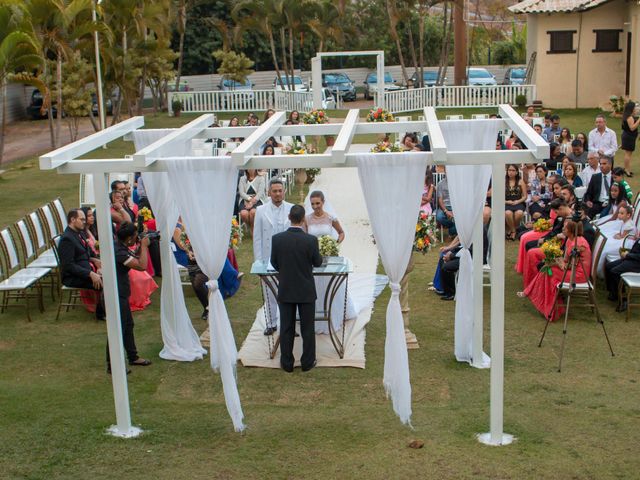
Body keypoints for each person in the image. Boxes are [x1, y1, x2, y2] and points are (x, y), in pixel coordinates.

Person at [270, 205, 323, 373]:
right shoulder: (311, 240)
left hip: (286, 289)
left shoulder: (277, 239)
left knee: (286, 327)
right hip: (306, 290)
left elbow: (274, 263)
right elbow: (318, 262)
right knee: (308, 327)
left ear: (289, 217)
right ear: (303, 220)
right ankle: (307, 362)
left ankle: (287, 363)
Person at [518, 219, 591, 322]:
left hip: (578, 274)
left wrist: (556, 262)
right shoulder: (570, 239)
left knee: (548, 271)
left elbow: (571, 265)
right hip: (570, 269)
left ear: (571, 230)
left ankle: (549, 307)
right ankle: (535, 295)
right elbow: (565, 259)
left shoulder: (579, 244)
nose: (562, 229)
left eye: (565, 228)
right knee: (546, 268)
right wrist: (554, 260)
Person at [304, 191, 357, 333]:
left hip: (328, 259)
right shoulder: (307, 219)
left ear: (323, 202)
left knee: (329, 285)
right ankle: (315, 315)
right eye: (313, 204)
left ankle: (333, 314)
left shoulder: (330, 218)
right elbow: (303, 238)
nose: (315, 206)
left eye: (318, 203)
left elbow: (341, 232)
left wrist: (334, 244)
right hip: (312, 260)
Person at [108, 222, 152, 373]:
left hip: (121, 292)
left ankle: (133, 357)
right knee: (118, 329)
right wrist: (144, 246)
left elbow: (135, 256)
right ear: (128, 238)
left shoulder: (119, 246)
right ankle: (112, 365)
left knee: (127, 326)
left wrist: (140, 246)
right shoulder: (119, 252)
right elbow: (141, 266)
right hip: (116, 293)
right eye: (134, 237)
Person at [253, 178, 293, 335]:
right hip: (268, 256)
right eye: (274, 191)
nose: (277, 194)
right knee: (269, 290)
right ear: (269, 192)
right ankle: (271, 323)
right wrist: (258, 261)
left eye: (280, 190)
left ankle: (289, 323)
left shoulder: (292, 208)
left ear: (284, 191)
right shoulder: (261, 210)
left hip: (288, 257)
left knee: (289, 291)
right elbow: (257, 237)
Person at [58, 209, 104, 320]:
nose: (84, 222)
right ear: (72, 220)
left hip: (87, 268)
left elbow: (86, 253)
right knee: (105, 281)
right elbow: (69, 266)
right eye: (82, 219)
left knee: (111, 273)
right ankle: (102, 314)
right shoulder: (67, 239)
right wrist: (90, 274)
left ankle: (110, 307)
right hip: (73, 277)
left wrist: (94, 260)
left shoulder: (79, 232)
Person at [597, 205, 637, 278]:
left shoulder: (629, 224)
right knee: (608, 238)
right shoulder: (624, 222)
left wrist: (618, 236)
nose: (619, 215)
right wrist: (618, 234)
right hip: (624, 238)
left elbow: (623, 236)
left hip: (627, 241)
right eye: (619, 213)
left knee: (609, 245)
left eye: (622, 213)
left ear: (628, 215)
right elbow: (621, 233)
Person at [605, 238, 640, 309]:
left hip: (637, 264)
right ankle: (614, 292)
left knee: (615, 272)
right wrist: (627, 253)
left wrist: (628, 255)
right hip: (631, 259)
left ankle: (624, 300)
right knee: (608, 266)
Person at [237, 169, 267, 233]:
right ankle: (251, 226)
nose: (250, 168)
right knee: (244, 214)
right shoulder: (242, 178)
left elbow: (260, 192)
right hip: (245, 199)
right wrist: (249, 199)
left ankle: (253, 230)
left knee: (253, 212)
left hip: (258, 199)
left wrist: (252, 202)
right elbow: (241, 192)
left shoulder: (260, 178)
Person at [505, 165, 527, 240]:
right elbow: (499, 196)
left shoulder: (520, 181)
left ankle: (510, 230)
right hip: (506, 202)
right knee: (508, 213)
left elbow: (524, 196)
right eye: (509, 170)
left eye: (513, 170)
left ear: (517, 172)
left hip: (518, 202)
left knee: (519, 213)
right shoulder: (503, 181)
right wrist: (507, 201)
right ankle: (514, 231)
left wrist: (518, 201)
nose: (511, 172)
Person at [621, 101, 640, 177]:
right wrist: (639, 120)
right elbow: (632, 128)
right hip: (629, 137)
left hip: (628, 136)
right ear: (631, 108)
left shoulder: (627, 116)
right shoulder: (629, 117)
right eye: (635, 107)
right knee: (628, 154)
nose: (635, 109)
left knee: (628, 154)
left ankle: (626, 168)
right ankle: (626, 170)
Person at [436, 171, 456, 236]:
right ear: (445, 172)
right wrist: (446, 211)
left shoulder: (458, 183)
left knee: (464, 217)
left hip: (456, 207)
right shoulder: (440, 184)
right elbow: (440, 199)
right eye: (447, 171)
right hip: (444, 206)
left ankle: (452, 230)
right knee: (439, 217)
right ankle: (454, 227)